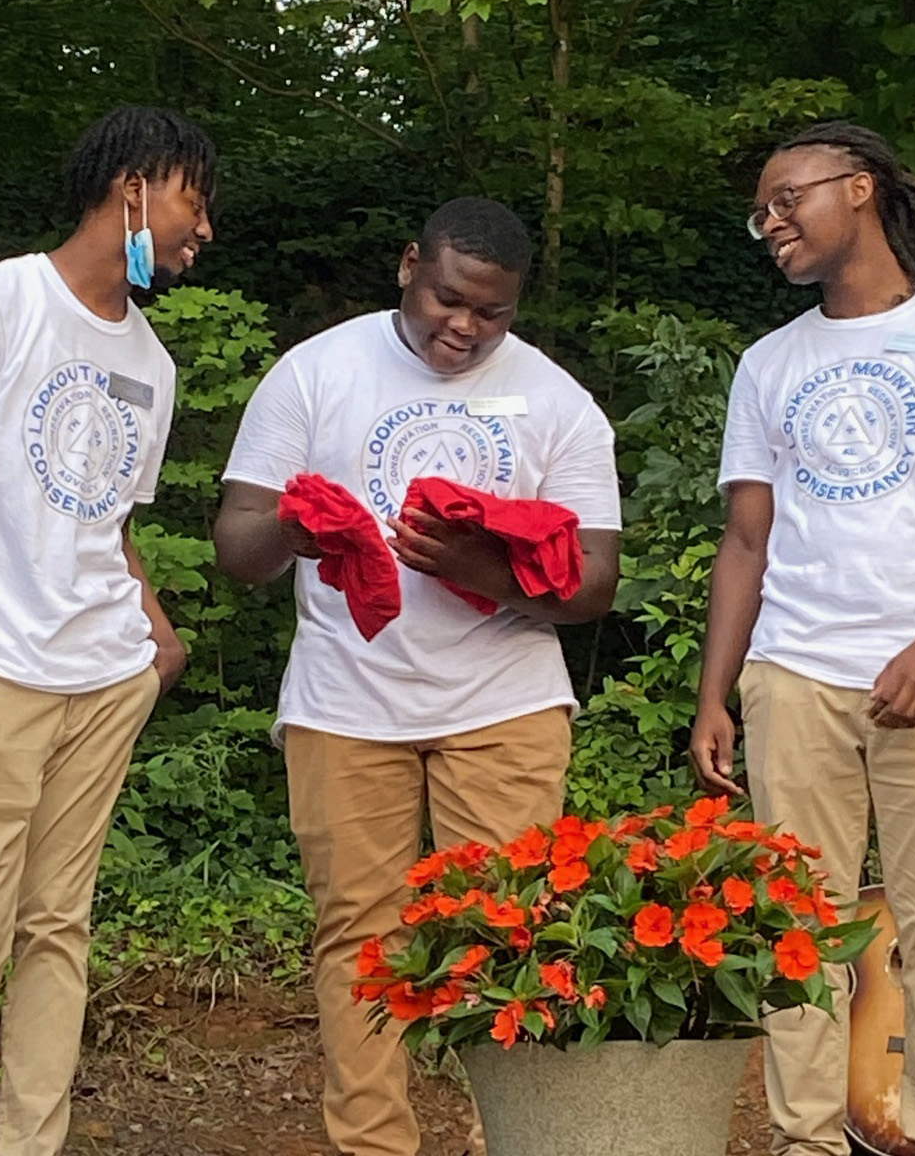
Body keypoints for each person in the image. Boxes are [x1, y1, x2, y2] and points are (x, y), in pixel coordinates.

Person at [213, 197, 621, 1156]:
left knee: (511, 929)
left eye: (494, 313)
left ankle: (513, 1135)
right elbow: (238, 546)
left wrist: (470, 567)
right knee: (363, 941)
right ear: (409, 265)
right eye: (449, 298)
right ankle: (374, 1145)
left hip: (506, 702)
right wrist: (296, 529)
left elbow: (596, 583)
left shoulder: (560, 401)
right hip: (346, 703)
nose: (466, 326)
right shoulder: (315, 373)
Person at [689, 122, 915, 1156]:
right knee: (800, 930)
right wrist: (717, 693)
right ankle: (805, 1141)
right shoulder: (767, 363)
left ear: (860, 188)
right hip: (793, 675)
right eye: (762, 210)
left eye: (788, 197)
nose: (772, 222)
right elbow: (746, 539)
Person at [0, 106, 216, 1156]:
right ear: (132, 191)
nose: (202, 233)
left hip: (104, 680)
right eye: (191, 206)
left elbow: (102, 522)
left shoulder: (151, 364)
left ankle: (33, 1144)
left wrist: (157, 637)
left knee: (57, 933)